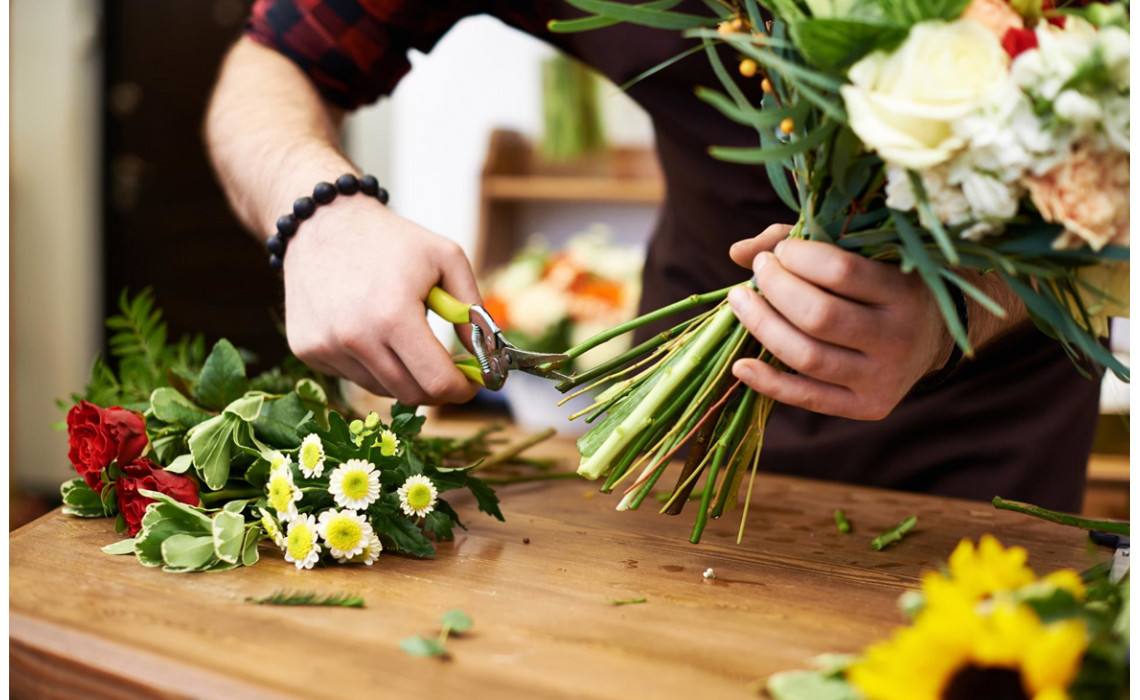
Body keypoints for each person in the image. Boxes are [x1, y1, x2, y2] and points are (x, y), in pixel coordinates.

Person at [206, 1, 1101, 511]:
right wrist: (317, 213)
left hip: (980, 448)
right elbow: (278, 59)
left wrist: (969, 304)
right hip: (677, 421)